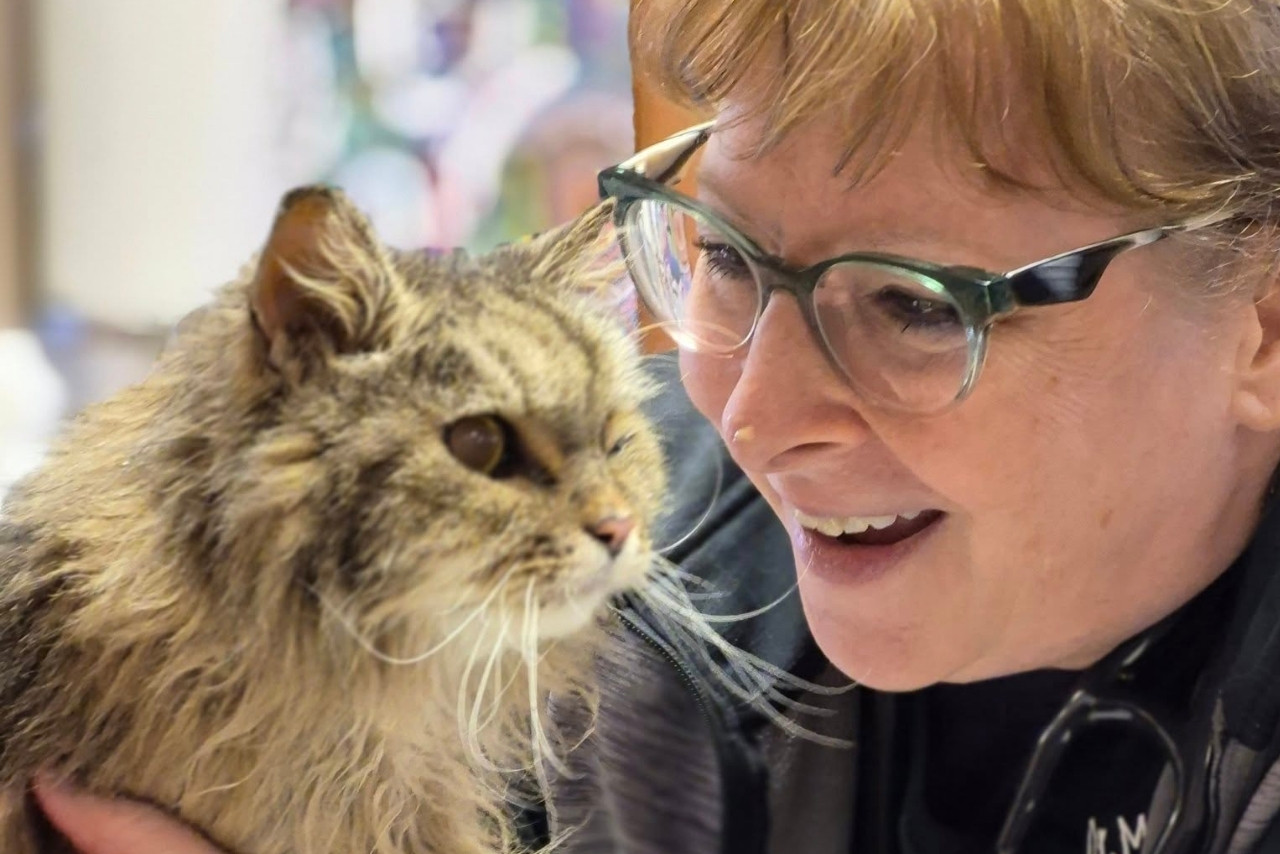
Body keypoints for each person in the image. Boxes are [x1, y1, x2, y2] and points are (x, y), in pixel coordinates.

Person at [34, 0, 1280, 851]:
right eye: (727, 257)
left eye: (914, 303)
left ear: (1261, 329)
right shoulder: (622, 574)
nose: (752, 416)